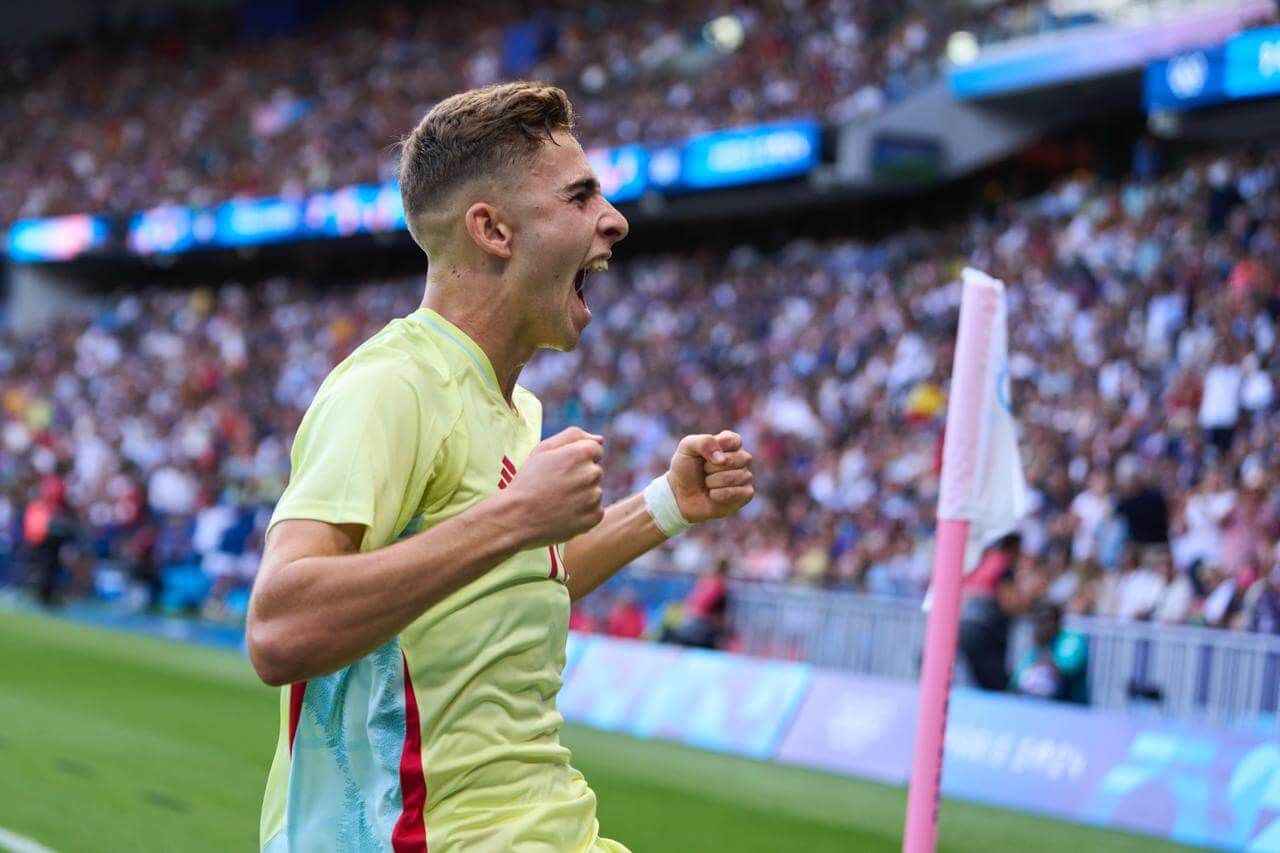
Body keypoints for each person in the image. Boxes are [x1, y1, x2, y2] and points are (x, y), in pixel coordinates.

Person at [246, 82, 755, 852]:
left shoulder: (517, 408)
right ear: (492, 229)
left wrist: (666, 505)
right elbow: (278, 629)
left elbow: (506, 581)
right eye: (580, 195)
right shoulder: (392, 385)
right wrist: (516, 515)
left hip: (552, 827)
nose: (614, 219)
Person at [1010, 601, 1088, 704]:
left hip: (1071, 706)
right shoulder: (1037, 648)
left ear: (1058, 622)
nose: (1043, 626)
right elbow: (1015, 682)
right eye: (1039, 622)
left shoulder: (1072, 640)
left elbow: (1065, 669)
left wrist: (1044, 653)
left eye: (1047, 620)